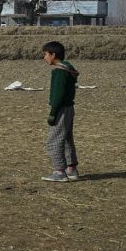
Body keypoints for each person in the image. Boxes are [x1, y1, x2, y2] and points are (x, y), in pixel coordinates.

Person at [41, 41, 80, 182]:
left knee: (54, 140)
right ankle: (71, 169)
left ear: (53, 55)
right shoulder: (68, 68)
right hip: (69, 108)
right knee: (67, 138)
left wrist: (53, 113)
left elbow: (58, 95)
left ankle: (59, 171)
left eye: (46, 54)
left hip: (61, 109)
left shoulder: (59, 72)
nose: (44, 57)